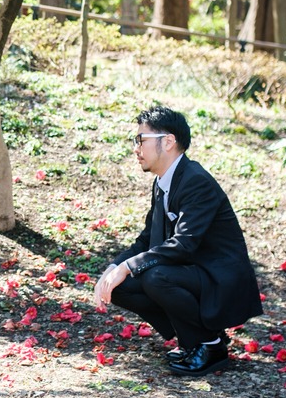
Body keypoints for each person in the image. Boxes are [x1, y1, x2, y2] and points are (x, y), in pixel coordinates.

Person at [93, 105, 262, 376]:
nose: (136, 148)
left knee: (154, 276)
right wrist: (114, 267)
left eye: (141, 140)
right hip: (191, 272)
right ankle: (192, 339)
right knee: (120, 285)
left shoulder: (196, 181)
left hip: (218, 279)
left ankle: (211, 344)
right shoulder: (163, 182)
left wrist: (128, 267)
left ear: (168, 141)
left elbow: (184, 243)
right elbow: (148, 239)